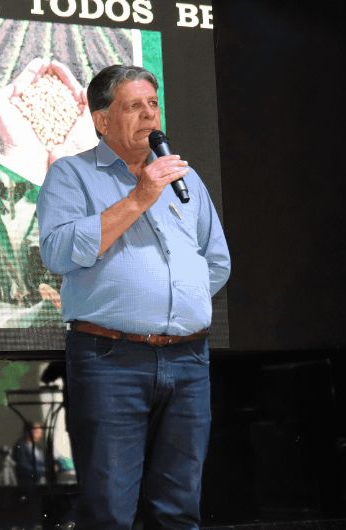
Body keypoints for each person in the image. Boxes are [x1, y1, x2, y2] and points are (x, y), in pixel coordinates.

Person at [37, 64, 230, 529]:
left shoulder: (186, 178)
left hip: (188, 359)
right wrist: (139, 197)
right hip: (111, 361)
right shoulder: (71, 175)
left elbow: (217, 260)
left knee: (180, 507)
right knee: (109, 509)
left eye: (152, 104)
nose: (148, 116)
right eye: (133, 106)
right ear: (102, 119)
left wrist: (177, 305)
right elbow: (58, 252)